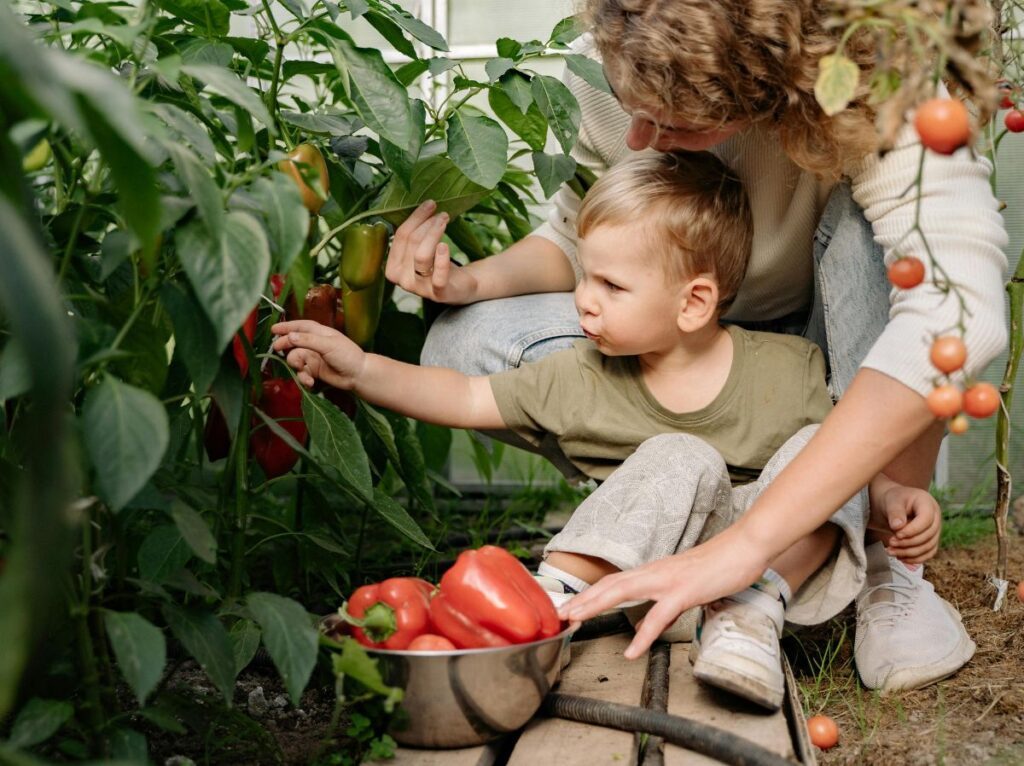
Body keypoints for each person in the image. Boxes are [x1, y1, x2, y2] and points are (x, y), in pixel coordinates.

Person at [389, 0, 1007, 691]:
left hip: (826, 355)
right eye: (631, 106)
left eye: (677, 123)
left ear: (774, 87)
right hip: (682, 353)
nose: (637, 138)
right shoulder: (615, 54)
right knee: (467, 344)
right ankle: (684, 515)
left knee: (888, 245)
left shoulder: (882, 77)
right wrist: (469, 282)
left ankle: (879, 555)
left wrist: (748, 550)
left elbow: (956, 308)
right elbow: (578, 236)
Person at [274, 151, 939, 710]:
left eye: (610, 285)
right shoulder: (583, 374)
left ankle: (747, 618)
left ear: (695, 302)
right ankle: (546, 607)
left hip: (763, 567)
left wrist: (890, 497)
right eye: (584, 274)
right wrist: (361, 368)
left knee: (820, 448)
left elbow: (849, 463)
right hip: (643, 573)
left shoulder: (789, 370)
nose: (582, 299)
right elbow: (465, 393)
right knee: (679, 454)